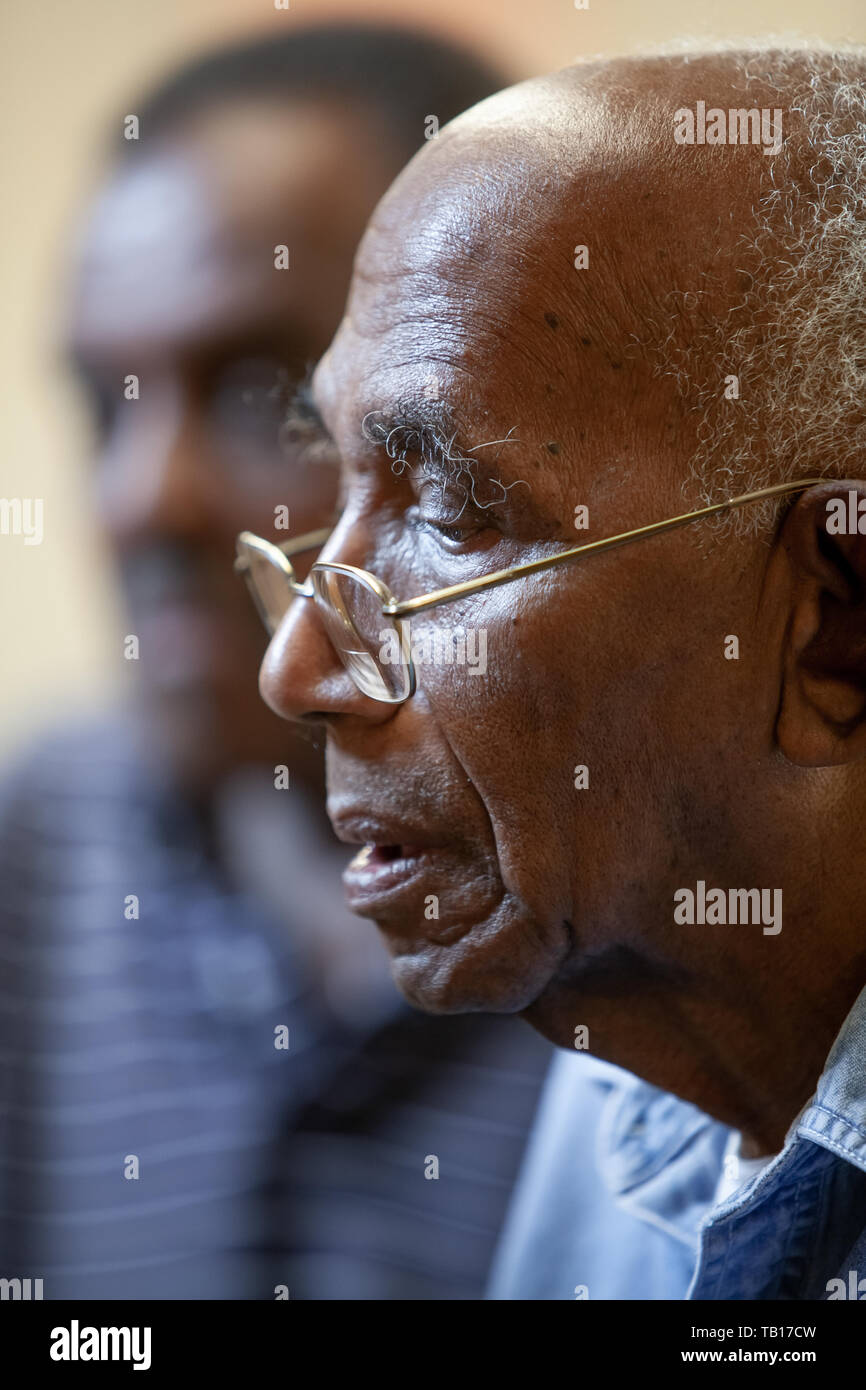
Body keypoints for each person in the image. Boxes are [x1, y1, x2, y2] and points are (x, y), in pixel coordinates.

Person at [255, 43, 866, 1299]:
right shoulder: (624, 1081)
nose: (299, 667)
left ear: (833, 628)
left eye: (460, 514)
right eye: (341, 493)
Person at [0, 24, 554, 1301]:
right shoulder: (42, 841)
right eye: (104, 406)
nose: (143, 499)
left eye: (264, 397)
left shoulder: (662, 910)